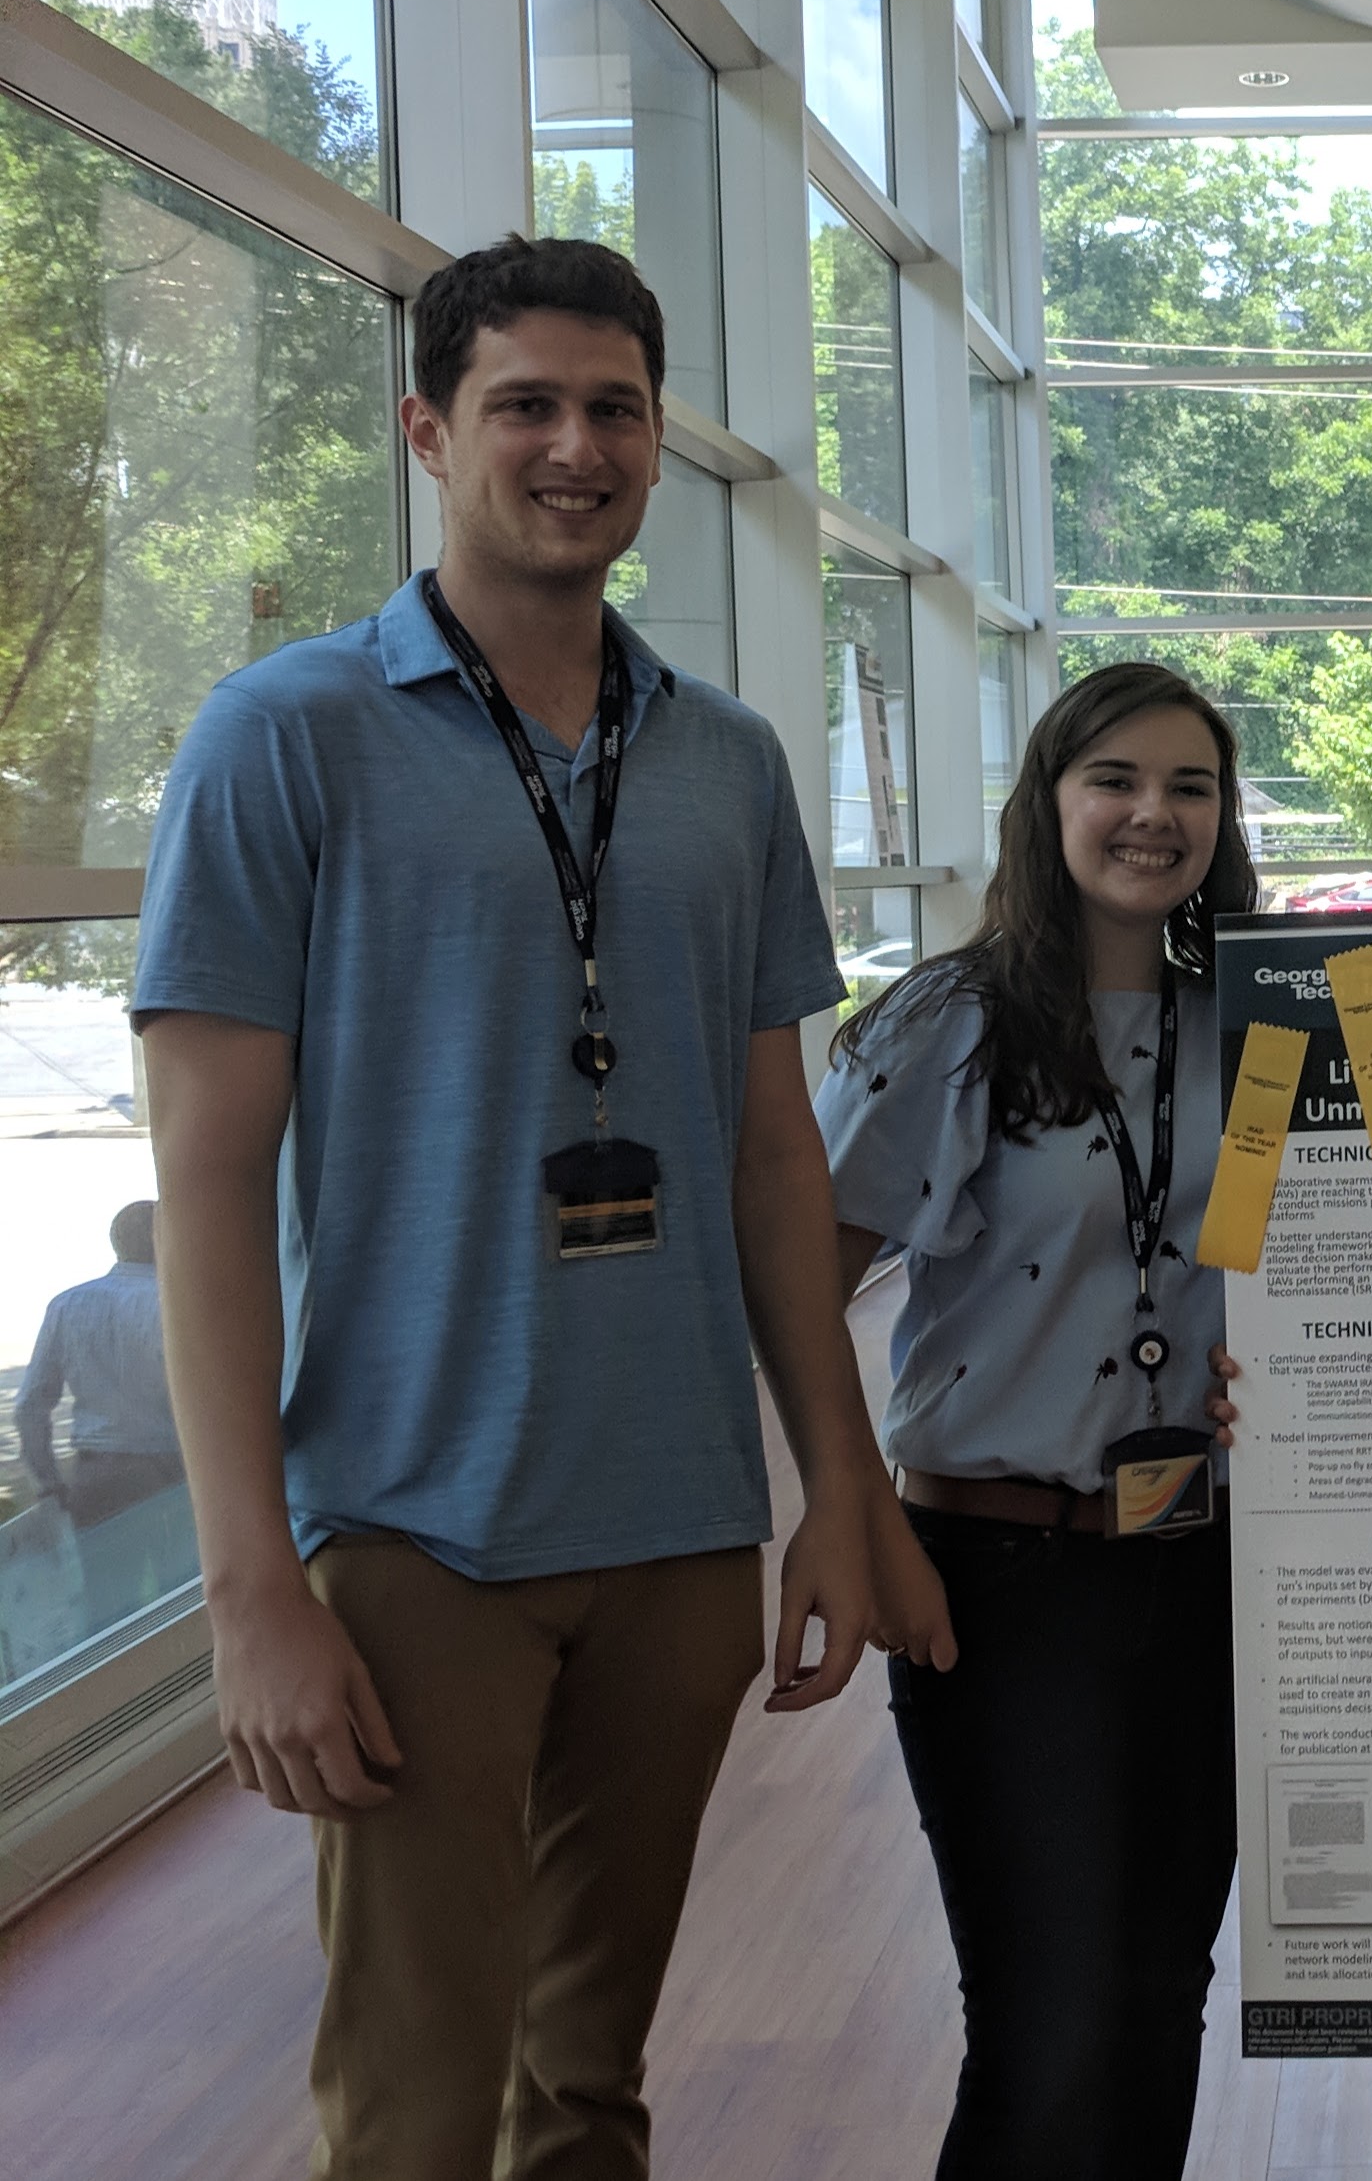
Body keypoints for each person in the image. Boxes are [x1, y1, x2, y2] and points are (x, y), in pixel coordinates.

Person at [132, 235, 950, 2180]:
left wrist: (836, 1484)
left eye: (614, 410)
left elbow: (774, 1154)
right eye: (525, 405)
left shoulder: (729, 764)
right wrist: (250, 1585)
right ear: (430, 431)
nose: (574, 446)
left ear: (660, 442)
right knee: (415, 2115)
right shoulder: (286, 737)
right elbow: (209, 1179)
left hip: (677, 1529)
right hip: (418, 1527)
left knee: (588, 2095)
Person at [815, 660, 1254, 2180]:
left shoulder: (1254, 1028)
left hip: (1206, 1572)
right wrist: (853, 1516)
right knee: (1049, 2018)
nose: (1154, 815)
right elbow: (801, 1286)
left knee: (1159, 1996)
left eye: (1191, 787)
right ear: (1049, 802)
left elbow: (1283, 1266)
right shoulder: (946, 1023)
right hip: (1002, 1578)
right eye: (1116, 781)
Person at [16, 1201, 177, 1527]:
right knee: (187, 1576)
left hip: (96, 1476)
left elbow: (30, 1406)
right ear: (165, 1237)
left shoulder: (67, 1305)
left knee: (107, 1575)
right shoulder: (175, 1304)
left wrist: (48, 1483)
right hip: (172, 1473)